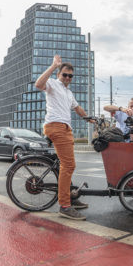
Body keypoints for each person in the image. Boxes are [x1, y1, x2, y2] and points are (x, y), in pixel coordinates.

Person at [35, 54, 92, 221]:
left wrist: (90, 119)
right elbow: (39, 84)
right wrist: (53, 66)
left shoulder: (68, 93)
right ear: (59, 74)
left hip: (65, 129)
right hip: (56, 127)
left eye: (70, 76)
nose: (67, 77)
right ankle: (65, 206)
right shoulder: (53, 84)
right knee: (69, 165)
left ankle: (70, 197)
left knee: (66, 165)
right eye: (65, 74)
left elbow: (78, 108)